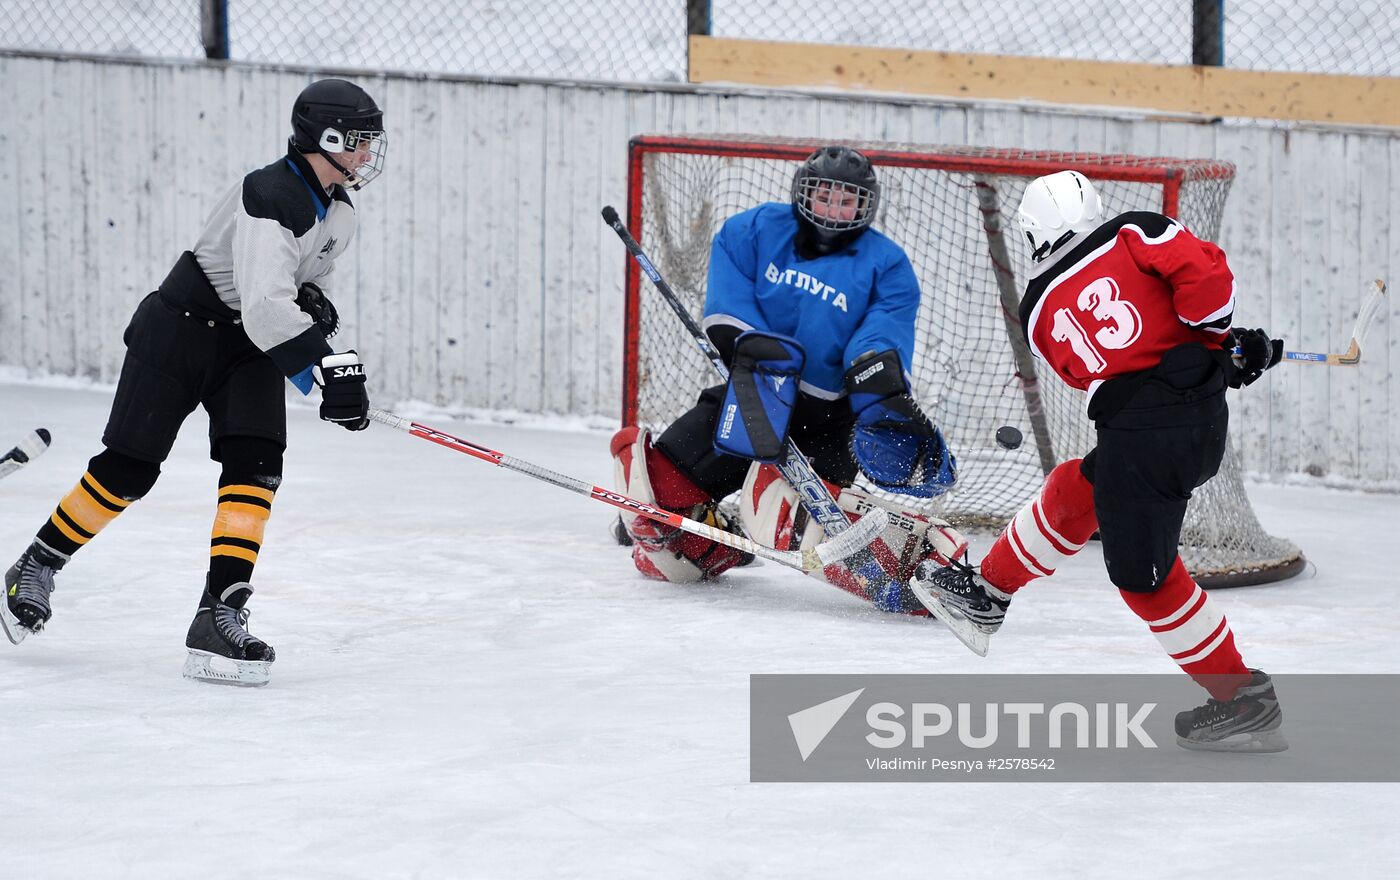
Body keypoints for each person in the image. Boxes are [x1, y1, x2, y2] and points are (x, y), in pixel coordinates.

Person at [2, 79, 387, 687]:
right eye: (361, 142)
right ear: (330, 138)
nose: (369, 154)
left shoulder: (340, 210)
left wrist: (324, 363)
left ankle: (218, 615)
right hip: (180, 331)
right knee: (129, 469)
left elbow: (299, 294)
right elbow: (265, 308)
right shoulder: (271, 193)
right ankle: (36, 563)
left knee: (255, 468)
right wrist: (329, 368)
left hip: (247, 348)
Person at [918, 169, 1287, 751]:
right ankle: (988, 591)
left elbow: (1100, 368)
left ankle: (1241, 698)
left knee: (1146, 580)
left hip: (1142, 434)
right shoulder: (1137, 230)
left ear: (1034, 232)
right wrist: (1225, 344)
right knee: (1077, 489)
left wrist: (1213, 352)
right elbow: (1207, 282)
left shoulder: (1036, 308)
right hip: (1189, 427)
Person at [611, 145, 960, 610]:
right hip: (751, 397)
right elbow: (729, 300)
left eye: (847, 201)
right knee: (651, 488)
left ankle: (919, 569)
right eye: (825, 197)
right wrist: (757, 352)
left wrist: (879, 395)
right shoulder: (754, 229)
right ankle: (710, 540)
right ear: (803, 193)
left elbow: (880, 334)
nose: (834, 210)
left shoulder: (887, 263)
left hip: (830, 420)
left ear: (867, 206)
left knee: (783, 506)